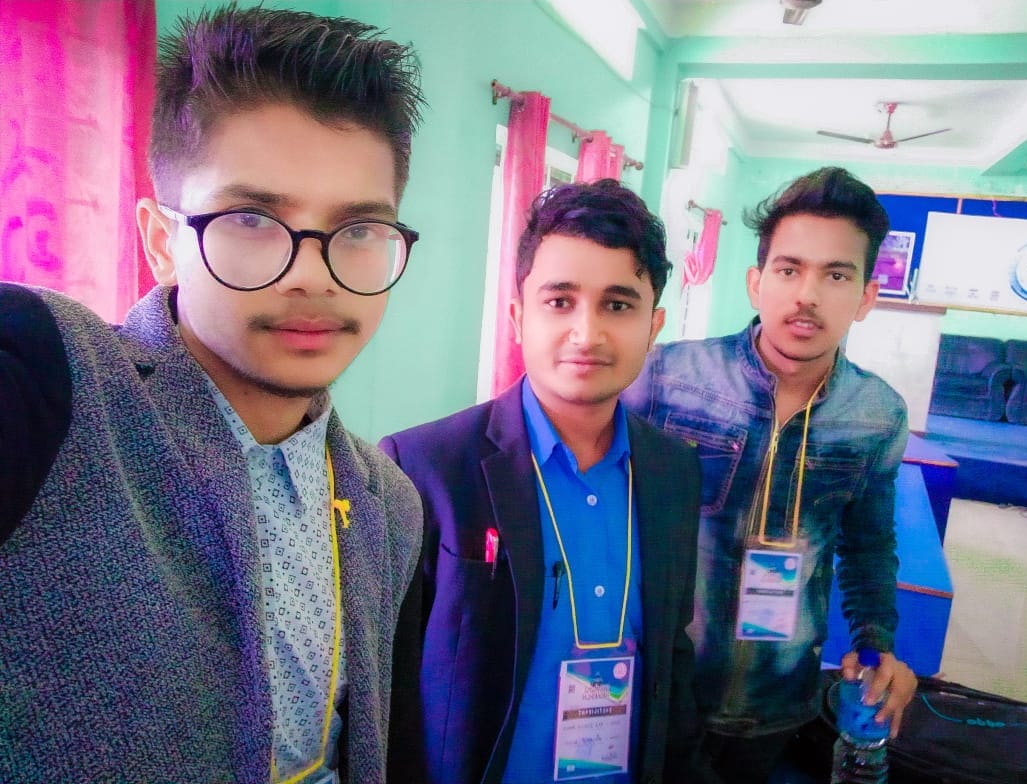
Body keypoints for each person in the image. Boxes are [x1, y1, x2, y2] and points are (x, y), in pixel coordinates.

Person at [0, 7, 425, 783]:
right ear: (161, 240)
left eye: (360, 230)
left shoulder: (389, 503)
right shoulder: (57, 387)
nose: (314, 274)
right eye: (253, 219)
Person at [380, 179, 711, 784]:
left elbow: (671, 653)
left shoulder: (674, 472)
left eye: (618, 305)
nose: (588, 334)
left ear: (654, 324)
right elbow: (384, 683)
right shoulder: (426, 466)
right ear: (518, 317)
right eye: (560, 301)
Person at [623, 167, 919, 783]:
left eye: (836, 275)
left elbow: (868, 548)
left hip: (777, 699)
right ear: (757, 283)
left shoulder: (877, 415)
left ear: (866, 297)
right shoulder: (667, 379)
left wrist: (874, 647)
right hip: (658, 688)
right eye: (789, 270)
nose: (807, 295)